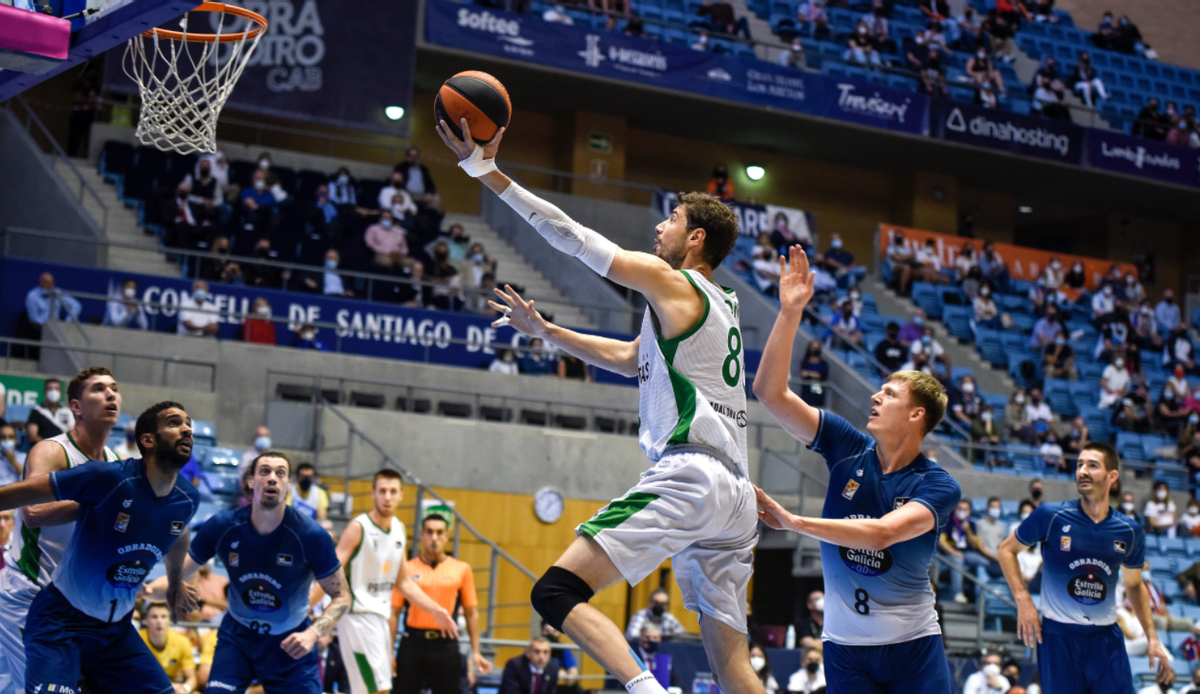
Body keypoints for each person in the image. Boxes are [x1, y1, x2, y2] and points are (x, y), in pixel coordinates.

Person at [439, 118, 758, 694]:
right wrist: (546, 330)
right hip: (736, 497)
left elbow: (576, 239)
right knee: (733, 668)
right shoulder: (721, 304)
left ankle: (644, 689)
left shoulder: (673, 282)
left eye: (672, 221)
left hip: (693, 474)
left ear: (695, 240)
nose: (659, 228)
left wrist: (486, 172)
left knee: (555, 593)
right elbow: (632, 357)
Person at [753, 247, 961, 693]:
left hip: (913, 648)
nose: (874, 397)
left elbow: (883, 533)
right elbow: (769, 393)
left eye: (888, 394)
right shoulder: (846, 445)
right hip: (845, 649)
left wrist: (794, 522)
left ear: (916, 416)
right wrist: (790, 312)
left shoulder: (938, 484)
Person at [0, 401, 199, 694]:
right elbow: (24, 494)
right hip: (61, 623)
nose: (187, 430)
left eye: (189, 424)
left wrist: (175, 582)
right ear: (148, 440)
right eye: (173, 423)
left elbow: (179, 532)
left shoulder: (188, 498)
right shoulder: (109, 478)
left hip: (115, 633)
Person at [145, 451, 347, 694]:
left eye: (280, 473)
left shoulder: (311, 536)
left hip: (291, 642)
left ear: (288, 485)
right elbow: (176, 579)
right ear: (251, 482)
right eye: (265, 471)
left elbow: (342, 596)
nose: (272, 478)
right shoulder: (223, 527)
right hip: (238, 639)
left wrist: (313, 633)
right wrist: (143, 591)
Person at [998, 442, 1174, 693]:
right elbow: (1006, 550)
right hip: (1058, 637)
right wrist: (1023, 598)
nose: (1082, 471)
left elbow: (1134, 585)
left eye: (1092, 465)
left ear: (1112, 476)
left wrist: (1152, 638)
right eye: (1080, 464)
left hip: (1105, 639)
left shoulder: (1129, 530)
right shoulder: (1051, 515)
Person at [0, 367, 123, 690]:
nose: (111, 394)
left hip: (72, 603)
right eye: (98, 389)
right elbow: (33, 513)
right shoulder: (52, 451)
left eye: (114, 388)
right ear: (76, 407)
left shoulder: (114, 461)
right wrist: (95, 504)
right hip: (27, 592)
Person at [326, 469, 456, 694]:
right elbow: (329, 570)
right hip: (358, 617)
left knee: (368, 691)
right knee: (379, 691)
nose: (387, 497)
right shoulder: (358, 528)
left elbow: (404, 583)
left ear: (401, 496)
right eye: (382, 491)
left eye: (392, 491)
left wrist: (435, 609)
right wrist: (307, 607)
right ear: (373, 494)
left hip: (380, 621)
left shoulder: (398, 529)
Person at [391, 513, 492, 694]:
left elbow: (471, 613)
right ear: (422, 535)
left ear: (447, 536)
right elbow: (394, 612)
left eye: (439, 532)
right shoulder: (407, 568)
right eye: (429, 532)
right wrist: (389, 650)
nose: (434, 538)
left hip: (446, 645)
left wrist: (476, 651)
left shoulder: (461, 569)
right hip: (413, 643)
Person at [139, 602, 198, 694]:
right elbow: (130, 676)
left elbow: (192, 678)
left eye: (163, 617)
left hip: (172, 688)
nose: (159, 621)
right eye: (154, 617)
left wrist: (185, 689)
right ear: (146, 621)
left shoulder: (182, 641)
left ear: (169, 620)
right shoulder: (137, 641)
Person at [940, 499, 993, 602]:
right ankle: (957, 593)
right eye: (960, 509)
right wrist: (953, 552)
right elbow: (941, 541)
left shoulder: (971, 525)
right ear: (955, 509)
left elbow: (974, 545)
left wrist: (968, 531)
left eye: (965, 509)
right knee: (957, 559)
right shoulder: (947, 521)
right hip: (948, 555)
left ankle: (981, 596)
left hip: (966, 554)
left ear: (969, 511)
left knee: (984, 562)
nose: (962, 511)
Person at [26, 378, 75, 445]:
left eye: (56, 389)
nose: (53, 392)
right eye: (50, 389)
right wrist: (50, 446)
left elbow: (72, 433)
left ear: (61, 392)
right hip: (43, 448)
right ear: (44, 391)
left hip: (63, 448)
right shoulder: (37, 411)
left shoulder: (67, 412)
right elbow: (32, 436)